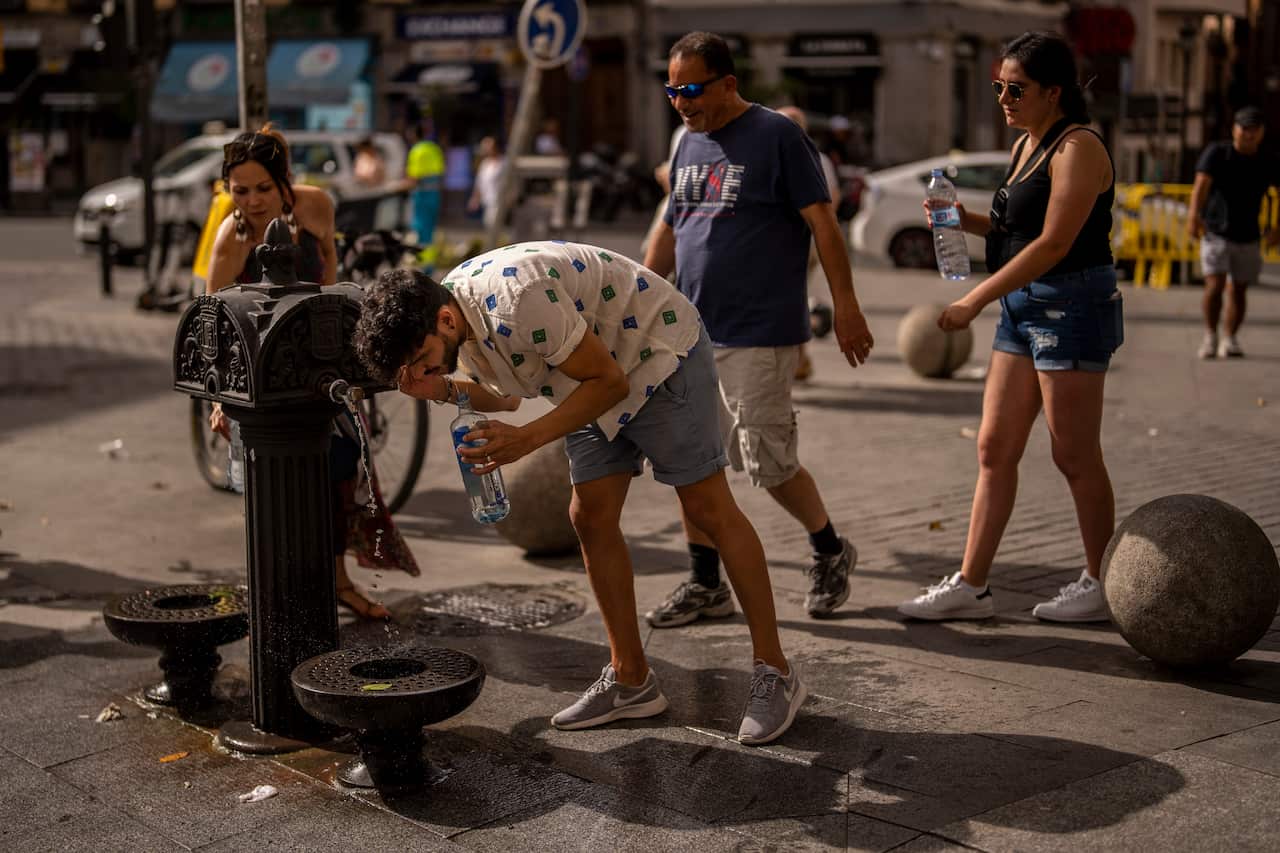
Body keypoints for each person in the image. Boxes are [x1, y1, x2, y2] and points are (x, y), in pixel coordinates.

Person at [352, 241, 808, 746]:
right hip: (587, 379)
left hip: (657, 355)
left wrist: (528, 438)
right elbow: (504, 395)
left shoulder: (515, 298)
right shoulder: (456, 324)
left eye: (423, 362)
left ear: (443, 320)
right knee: (589, 516)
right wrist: (438, 389)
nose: (423, 373)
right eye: (414, 372)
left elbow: (609, 381)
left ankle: (776, 672)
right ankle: (632, 679)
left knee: (707, 507)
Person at [643, 31, 873, 625]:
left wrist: (846, 307)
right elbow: (671, 229)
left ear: (728, 83)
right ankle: (704, 582)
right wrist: (635, 301)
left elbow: (824, 224)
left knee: (768, 462)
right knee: (691, 461)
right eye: (672, 90)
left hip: (759, 331)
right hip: (689, 332)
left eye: (691, 89)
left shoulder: (776, 136)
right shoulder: (688, 144)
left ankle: (829, 548)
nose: (681, 102)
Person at [896, 31, 1122, 623]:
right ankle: (972, 585)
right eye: (998, 86)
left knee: (1074, 455)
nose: (1002, 97)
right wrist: (956, 217)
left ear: (1054, 91)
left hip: (1070, 305)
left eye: (1014, 88)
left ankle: (1102, 581)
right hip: (1024, 307)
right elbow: (1012, 233)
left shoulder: (1079, 148)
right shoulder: (1028, 144)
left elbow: (1053, 243)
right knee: (994, 447)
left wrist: (973, 300)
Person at [206, 125, 417, 619]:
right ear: (227, 189)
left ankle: (339, 582)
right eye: (240, 190)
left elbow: (332, 286)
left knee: (340, 470)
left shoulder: (316, 207)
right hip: (258, 380)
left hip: (318, 365)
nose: (254, 202)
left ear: (286, 181)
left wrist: (352, 365)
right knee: (268, 490)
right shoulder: (231, 236)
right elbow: (214, 329)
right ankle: (279, 596)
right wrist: (219, 402)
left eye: (264, 188)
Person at [1187, 105, 1280, 359]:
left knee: (1239, 289)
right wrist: (1193, 217)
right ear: (1234, 130)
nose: (1249, 134)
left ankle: (1230, 338)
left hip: (1249, 233)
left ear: (1261, 132)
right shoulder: (1218, 153)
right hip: (1216, 230)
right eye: (1244, 129)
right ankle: (1210, 335)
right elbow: (1200, 187)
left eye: (1254, 129)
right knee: (1215, 285)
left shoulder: (1268, 158)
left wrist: (1277, 227)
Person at [776, 105, 840, 382]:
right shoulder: (819, 157)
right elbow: (833, 198)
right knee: (793, 297)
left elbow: (829, 203)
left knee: (789, 299)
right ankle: (799, 360)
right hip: (804, 240)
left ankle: (798, 360)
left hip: (798, 241)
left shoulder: (790, 156)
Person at [404, 123, 445, 247]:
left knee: (420, 229)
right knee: (430, 230)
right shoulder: (434, 148)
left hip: (421, 195)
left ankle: (422, 261)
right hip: (434, 194)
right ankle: (429, 263)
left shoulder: (416, 151)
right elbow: (441, 171)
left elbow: (414, 178)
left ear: (414, 135)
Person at [466, 136, 505, 229]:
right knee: (489, 225)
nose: (485, 150)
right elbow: (479, 183)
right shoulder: (485, 163)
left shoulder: (504, 163)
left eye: (488, 147)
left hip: (500, 201)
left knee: (494, 226)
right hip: (487, 201)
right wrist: (475, 198)